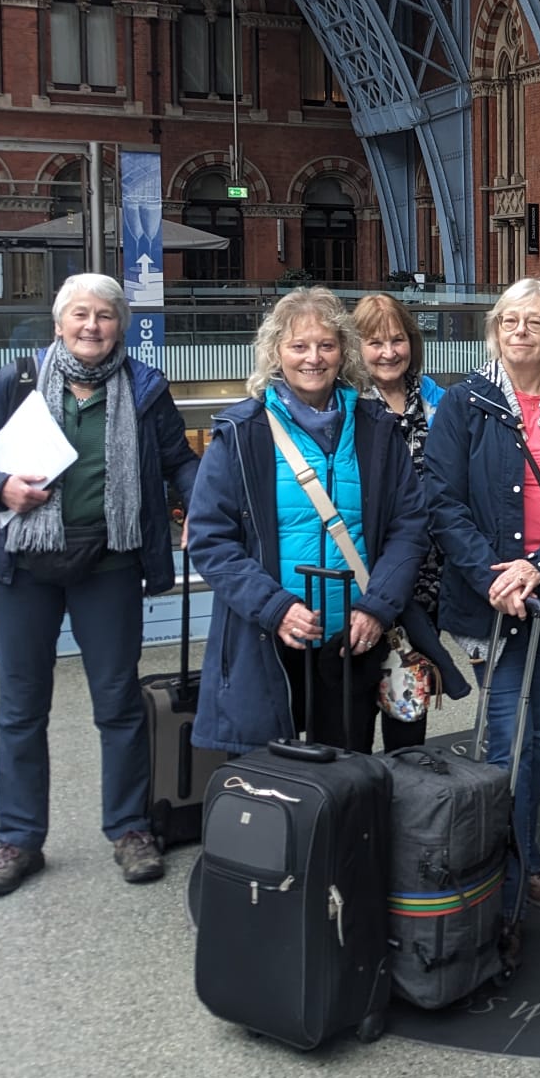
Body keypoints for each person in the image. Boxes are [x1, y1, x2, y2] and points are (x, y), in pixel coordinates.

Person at [0, 273, 201, 898]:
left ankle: (130, 828)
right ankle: (19, 840)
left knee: (118, 705)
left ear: (122, 324)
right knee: (22, 709)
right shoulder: (20, 381)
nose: (93, 326)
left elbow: (179, 462)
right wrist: (0, 488)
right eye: (80, 314)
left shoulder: (144, 388)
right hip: (25, 569)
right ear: (59, 323)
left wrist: (198, 505)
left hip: (109, 564)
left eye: (105, 315)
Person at [425, 278, 540, 918]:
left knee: (536, 735)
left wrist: (538, 568)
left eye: (534, 322)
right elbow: (443, 504)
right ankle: (501, 876)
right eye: (510, 321)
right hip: (491, 601)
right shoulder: (464, 403)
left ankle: (520, 860)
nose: (521, 332)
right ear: (494, 331)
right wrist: (496, 576)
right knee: (504, 737)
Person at [188, 287, 432, 759]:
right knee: (273, 782)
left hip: (353, 641)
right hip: (267, 638)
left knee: (346, 778)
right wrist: (275, 607)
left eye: (326, 345)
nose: (313, 358)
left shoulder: (376, 428)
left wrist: (377, 607)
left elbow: (409, 526)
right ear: (277, 353)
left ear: (344, 352)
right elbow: (210, 539)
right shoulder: (242, 433)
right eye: (299, 346)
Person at [352, 292, 447, 751]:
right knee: (352, 712)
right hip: (362, 580)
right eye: (375, 342)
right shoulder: (344, 407)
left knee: (408, 705)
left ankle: (408, 809)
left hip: (424, 585)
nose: (389, 352)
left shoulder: (440, 404)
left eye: (397, 340)